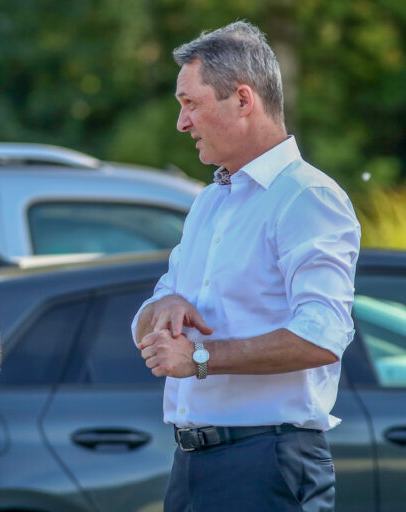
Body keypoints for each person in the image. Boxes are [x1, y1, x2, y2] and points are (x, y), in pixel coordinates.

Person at [131, 21, 360, 512]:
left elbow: (322, 336)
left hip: (270, 464)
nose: (181, 122)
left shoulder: (308, 196)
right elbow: (145, 324)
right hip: (192, 467)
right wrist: (164, 306)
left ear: (242, 99)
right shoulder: (209, 202)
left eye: (190, 103)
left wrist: (198, 359)